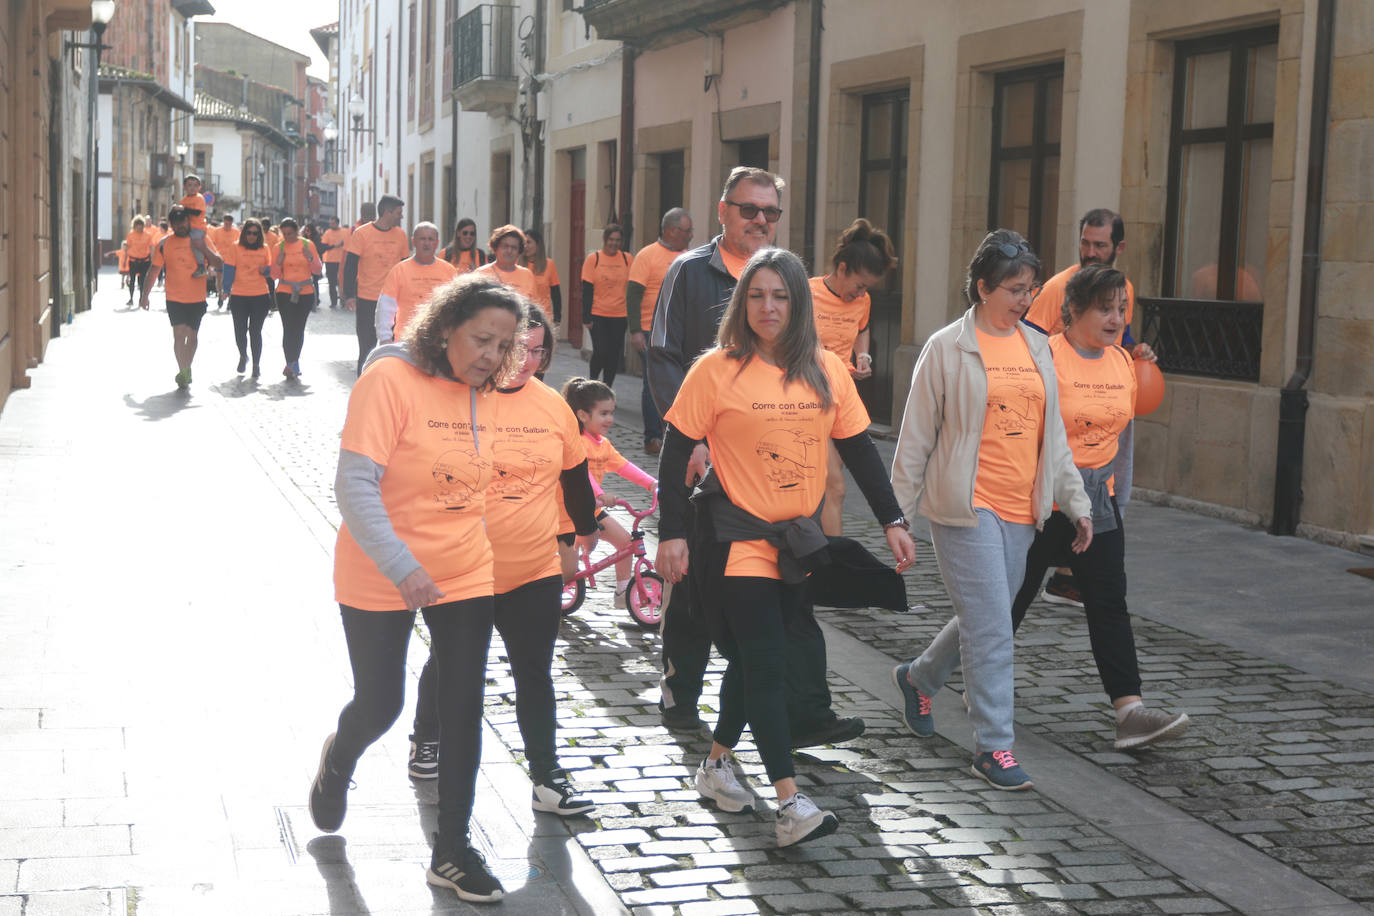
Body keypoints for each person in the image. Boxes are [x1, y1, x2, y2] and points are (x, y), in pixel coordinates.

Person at [655, 248, 916, 847]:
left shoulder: (826, 368)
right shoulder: (715, 369)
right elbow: (675, 454)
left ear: (799, 303)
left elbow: (859, 450)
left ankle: (717, 764)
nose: (767, 307)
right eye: (756, 295)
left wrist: (892, 519)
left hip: (797, 545)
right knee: (768, 663)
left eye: (779, 296)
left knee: (752, 664)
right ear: (741, 303)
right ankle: (789, 802)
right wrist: (671, 534)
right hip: (735, 541)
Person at [308, 274, 525, 904]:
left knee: (461, 704)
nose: (490, 353)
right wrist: (404, 567)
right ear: (444, 328)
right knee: (382, 704)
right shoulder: (390, 381)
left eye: (502, 344)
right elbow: (355, 486)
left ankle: (452, 851)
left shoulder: (480, 391)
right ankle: (340, 755)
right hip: (381, 571)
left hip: (463, 568)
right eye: (480, 338)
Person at [646, 167, 861, 748]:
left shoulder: (789, 274)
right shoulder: (690, 272)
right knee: (693, 587)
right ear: (723, 211)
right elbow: (664, 356)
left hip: (776, 467)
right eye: (749, 210)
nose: (760, 221)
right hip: (705, 460)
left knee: (794, 585)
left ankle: (808, 709)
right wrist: (690, 441)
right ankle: (680, 688)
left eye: (770, 212)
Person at [889, 229, 1091, 791]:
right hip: (964, 507)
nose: (1025, 299)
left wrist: (1076, 503)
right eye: (1014, 289)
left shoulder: (1037, 346)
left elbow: (1054, 437)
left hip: (1022, 510)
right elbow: (915, 439)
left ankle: (918, 677)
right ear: (982, 287)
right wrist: (896, 516)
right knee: (994, 628)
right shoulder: (946, 347)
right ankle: (993, 747)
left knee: (987, 618)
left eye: (1030, 289)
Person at [408, 305, 602, 816]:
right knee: (450, 664)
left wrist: (580, 534)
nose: (528, 361)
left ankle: (547, 777)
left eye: (539, 350)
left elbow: (575, 481)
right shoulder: (462, 397)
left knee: (534, 673)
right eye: (521, 348)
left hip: (532, 569)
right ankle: (426, 736)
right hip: (465, 568)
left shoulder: (554, 407)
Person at [1009, 264, 1190, 749]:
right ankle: (937, 674)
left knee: (1108, 603)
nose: (1115, 319)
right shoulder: (1044, 357)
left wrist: (1114, 497)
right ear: (1073, 310)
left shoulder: (1124, 363)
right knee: (1009, 599)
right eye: (1104, 308)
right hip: (1041, 499)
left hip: (1098, 501)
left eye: (1122, 309)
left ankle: (1129, 712)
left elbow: (1120, 438)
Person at [1023, 208, 1155, 608]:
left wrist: (1136, 351)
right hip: (1053, 445)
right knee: (1009, 597)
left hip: (1106, 412)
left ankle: (1068, 578)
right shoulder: (1060, 287)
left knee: (1110, 604)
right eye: (1085, 243)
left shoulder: (1121, 288)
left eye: (1099, 245)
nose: (1091, 251)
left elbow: (1118, 338)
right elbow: (1027, 344)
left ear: (1119, 247)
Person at [811, 218, 895, 537]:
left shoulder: (863, 301)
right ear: (842, 268)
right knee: (835, 485)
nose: (861, 293)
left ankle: (819, 548)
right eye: (860, 285)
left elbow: (862, 328)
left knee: (831, 482)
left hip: (842, 398)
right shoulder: (805, 291)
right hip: (805, 398)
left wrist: (864, 356)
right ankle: (829, 558)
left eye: (867, 289)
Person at [561, 378, 657, 608]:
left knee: (626, 541)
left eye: (611, 413)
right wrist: (601, 493)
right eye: (603, 413)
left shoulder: (603, 444)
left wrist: (652, 484)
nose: (610, 419)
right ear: (583, 415)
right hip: (570, 511)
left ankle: (623, 591)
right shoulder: (577, 442)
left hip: (593, 509)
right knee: (567, 559)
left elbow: (623, 466)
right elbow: (582, 476)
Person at [627, 208, 694, 456]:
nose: (691, 235)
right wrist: (635, 331)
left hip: (681, 333)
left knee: (682, 385)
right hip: (650, 331)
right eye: (687, 231)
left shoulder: (690, 257)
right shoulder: (647, 256)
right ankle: (652, 437)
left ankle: (675, 435)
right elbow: (633, 295)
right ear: (671, 230)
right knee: (652, 385)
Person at [139, 205, 223, 389]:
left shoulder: (201, 239)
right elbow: (154, 270)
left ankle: (187, 368)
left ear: (188, 221)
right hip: (174, 297)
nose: (180, 226)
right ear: (171, 224)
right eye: (176, 223)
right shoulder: (164, 243)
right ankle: (183, 370)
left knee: (192, 335)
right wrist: (145, 295)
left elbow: (219, 263)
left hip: (197, 297)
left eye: (183, 222)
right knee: (179, 334)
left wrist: (204, 249)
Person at [343, 195, 410, 375]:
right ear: (387, 212)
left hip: (395, 301)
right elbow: (350, 267)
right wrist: (349, 295)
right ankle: (363, 389)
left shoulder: (401, 235)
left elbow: (406, 266)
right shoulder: (362, 233)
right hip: (368, 299)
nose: (401, 217)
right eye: (398, 213)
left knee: (395, 349)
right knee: (367, 348)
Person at [375, 222, 457, 345]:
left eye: (431, 239)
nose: (426, 243)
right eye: (422, 239)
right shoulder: (399, 270)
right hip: (405, 341)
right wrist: (385, 338)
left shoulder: (449, 271)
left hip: (438, 341)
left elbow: (456, 307)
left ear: (437, 243)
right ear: (413, 241)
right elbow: (385, 307)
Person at [580, 224, 633, 386]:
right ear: (605, 240)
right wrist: (586, 316)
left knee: (613, 355)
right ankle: (593, 385)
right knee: (601, 351)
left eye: (617, 240)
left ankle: (607, 388)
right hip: (598, 314)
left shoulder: (627, 259)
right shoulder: (594, 259)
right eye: (611, 239)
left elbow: (632, 288)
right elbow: (587, 290)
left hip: (620, 315)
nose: (614, 243)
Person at [220, 218, 274, 378]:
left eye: (255, 234)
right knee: (240, 330)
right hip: (239, 296)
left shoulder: (264, 249)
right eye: (249, 233)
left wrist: (266, 270)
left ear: (259, 235)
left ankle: (256, 365)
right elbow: (229, 269)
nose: (252, 236)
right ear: (244, 234)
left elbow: (270, 271)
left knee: (255, 331)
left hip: (260, 295)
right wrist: (226, 289)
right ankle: (243, 356)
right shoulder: (235, 247)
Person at [271, 218, 322, 380]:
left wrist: (310, 259)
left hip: (305, 292)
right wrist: (278, 263)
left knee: (299, 328)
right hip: (285, 292)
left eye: (290, 233)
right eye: (284, 234)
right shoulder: (278, 248)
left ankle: (293, 362)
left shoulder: (308, 245)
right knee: (288, 328)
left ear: (297, 230)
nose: (287, 237)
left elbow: (318, 271)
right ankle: (291, 362)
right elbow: (273, 275)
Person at [473, 225, 539, 301]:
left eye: (514, 248)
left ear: (519, 252)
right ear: (495, 248)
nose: (509, 251)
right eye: (505, 246)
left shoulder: (527, 275)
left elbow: (534, 308)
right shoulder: (480, 273)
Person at [520, 228, 561, 323]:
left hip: (543, 317)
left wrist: (557, 317)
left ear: (538, 245)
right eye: (523, 243)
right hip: (522, 317)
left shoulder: (549, 264)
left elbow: (556, 294)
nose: (525, 246)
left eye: (528, 242)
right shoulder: (517, 265)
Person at [178, 175, 212, 279]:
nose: (192, 188)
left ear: (199, 188)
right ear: (184, 187)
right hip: (187, 227)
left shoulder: (199, 198)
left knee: (195, 243)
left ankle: (201, 266)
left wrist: (182, 209)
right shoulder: (184, 200)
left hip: (197, 227)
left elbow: (197, 212)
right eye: (189, 185)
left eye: (195, 185)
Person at [208, 215, 240, 309]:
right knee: (219, 279)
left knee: (232, 280)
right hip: (220, 259)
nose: (227, 226)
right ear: (223, 222)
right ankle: (220, 295)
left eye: (229, 224)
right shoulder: (217, 231)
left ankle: (230, 299)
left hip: (232, 260)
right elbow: (212, 244)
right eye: (226, 224)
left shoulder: (236, 232)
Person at [320, 216, 350, 308]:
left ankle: (343, 300)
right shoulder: (327, 233)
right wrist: (335, 245)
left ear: (337, 223)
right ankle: (333, 302)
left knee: (343, 282)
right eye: (330, 223)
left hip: (342, 260)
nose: (331, 225)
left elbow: (350, 243)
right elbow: (324, 247)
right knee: (332, 282)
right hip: (330, 260)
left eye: (333, 223)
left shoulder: (345, 232)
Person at [124, 217, 154, 307]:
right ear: (134, 226)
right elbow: (127, 248)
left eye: (141, 227)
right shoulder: (130, 235)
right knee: (132, 280)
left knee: (142, 281)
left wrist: (152, 260)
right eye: (138, 227)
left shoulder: (147, 235)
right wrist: (125, 261)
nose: (139, 229)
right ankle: (131, 298)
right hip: (133, 261)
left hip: (144, 261)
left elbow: (151, 248)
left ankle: (141, 298)